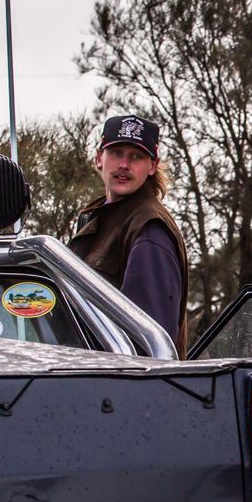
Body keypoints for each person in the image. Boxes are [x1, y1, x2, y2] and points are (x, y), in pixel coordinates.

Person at [68, 115, 190, 350]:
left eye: (136, 156)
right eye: (117, 153)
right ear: (99, 158)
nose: (124, 165)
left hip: (120, 372)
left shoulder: (149, 230)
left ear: (152, 166)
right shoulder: (101, 217)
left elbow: (149, 345)